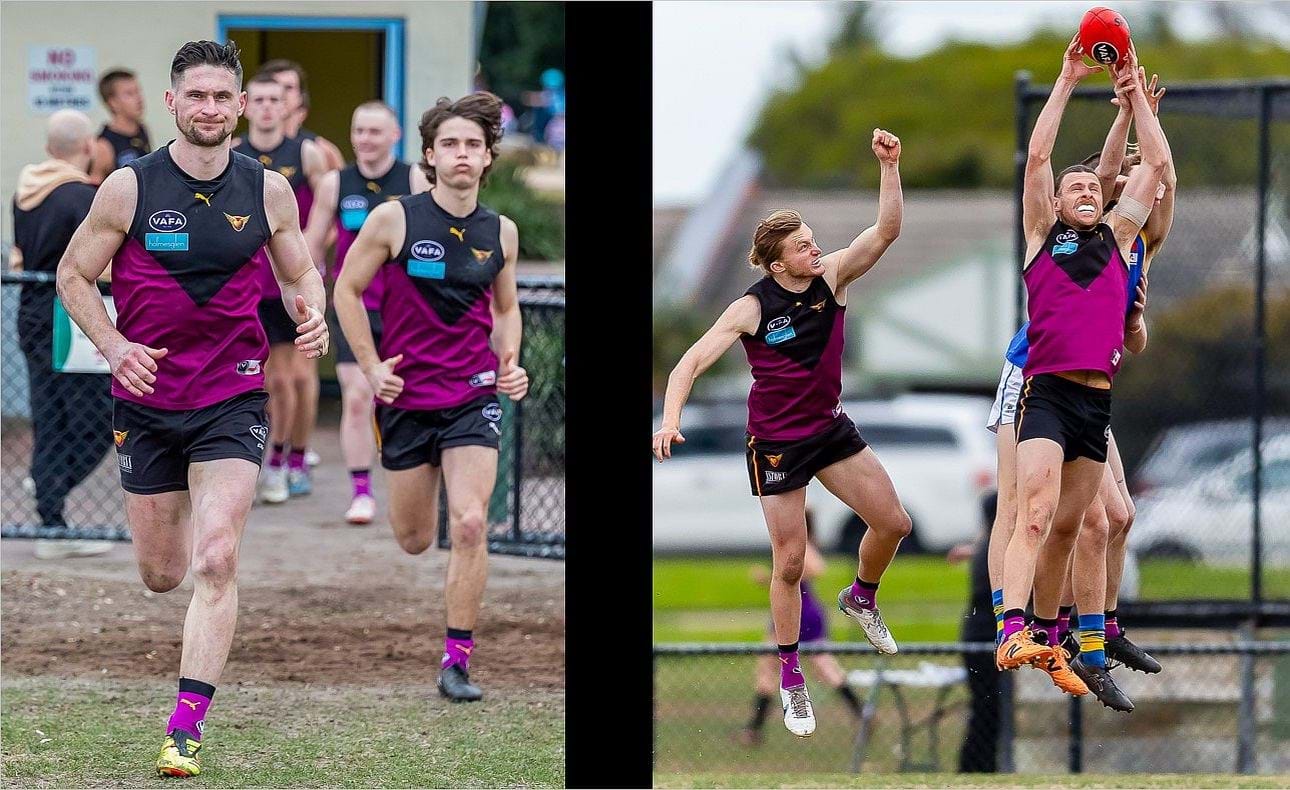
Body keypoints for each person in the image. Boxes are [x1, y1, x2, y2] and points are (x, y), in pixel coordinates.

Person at [55, 39, 328, 778]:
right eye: (195, 96)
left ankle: (185, 728)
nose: (210, 108)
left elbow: (302, 268)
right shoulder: (128, 187)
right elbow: (73, 276)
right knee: (162, 573)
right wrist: (114, 347)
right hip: (145, 403)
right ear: (173, 102)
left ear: (241, 106)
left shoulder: (269, 190)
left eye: (222, 96)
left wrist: (315, 313)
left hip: (233, 396)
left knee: (217, 557)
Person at [654, 128, 908, 739]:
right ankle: (793, 679)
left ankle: (863, 597)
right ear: (775, 262)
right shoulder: (751, 306)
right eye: (802, 246)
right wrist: (670, 418)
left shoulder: (833, 278)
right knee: (790, 561)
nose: (815, 250)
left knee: (895, 523)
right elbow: (690, 361)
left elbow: (887, 231)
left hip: (828, 429)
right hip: (776, 444)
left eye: (813, 241)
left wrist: (891, 166)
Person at [334, 92, 528, 702]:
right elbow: (345, 290)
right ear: (429, 155)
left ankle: (457, 661)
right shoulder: (394, 218)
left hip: (472, 394)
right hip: (407, 397)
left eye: (472, 144)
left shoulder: (501, 231)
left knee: (470, 523)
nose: (462, 154)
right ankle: (414, 514)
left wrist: (510, 362)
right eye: (450, 144)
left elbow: (506, 306)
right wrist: (369, 367)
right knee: (414, 538)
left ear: (487, 155)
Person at [994, 39, 1167, 700]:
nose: (1087, 189)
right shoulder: (1044, 237)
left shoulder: (1120, 240)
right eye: (1077, 186)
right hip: (1047, 394)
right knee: (1035, 513)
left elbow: (1153, 162)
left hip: (1097, 404)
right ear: (1059, 201)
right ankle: (1013, 628)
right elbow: (1039, 156)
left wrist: (1130, 90)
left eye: (1094, 184)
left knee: (1071, 526)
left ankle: (1048, 631)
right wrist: (1067, 78)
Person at [304, 101, 430, 523]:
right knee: (358, 399)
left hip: (406, 312)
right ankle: (361, 492)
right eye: (358, 130)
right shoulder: (336, 184)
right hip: (353, 306)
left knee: (405, 401)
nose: (365, 139)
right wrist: (304, 292)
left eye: (375, 131)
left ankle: (410, 486)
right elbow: (310, 245)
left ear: (395, 135)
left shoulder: (413, 178)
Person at [11, 109, 114, 560]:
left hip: (30, 314)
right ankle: (50, 497)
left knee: (48, 417)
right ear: (88, 146)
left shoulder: (24, 193)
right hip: (71, 319)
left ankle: (49, 509)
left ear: (51, 148)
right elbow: (100, 264)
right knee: (96, 421)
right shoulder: (81, 198)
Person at [233, 73, 328, 502]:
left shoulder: (306, 154)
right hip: (252, 286)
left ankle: (291, 459)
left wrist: (306, 256)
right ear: (246, 106)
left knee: (296, 378)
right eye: (261, 99)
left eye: (277, 99)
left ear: (287, 106)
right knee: (269, 379)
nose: (269, 107)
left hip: (293, 285)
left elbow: (327, 215)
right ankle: (271, 457)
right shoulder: (234, 154)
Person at [736, 508, 863, 746]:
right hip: (785, 614)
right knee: (770, 669)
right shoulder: (785, 542)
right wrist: (770, 579)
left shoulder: (801, 544)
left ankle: (862, 715)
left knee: (822, 668)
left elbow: (816, 569)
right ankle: (754, 729)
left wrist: (784, 572)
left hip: (802, 615)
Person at [952, 492, 1002, 773]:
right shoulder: (993, 549)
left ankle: (981, 766)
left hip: (977, 637)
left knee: (986, 709)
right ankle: (975, 768)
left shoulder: (985, 546)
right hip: (983, 640)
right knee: (986, 709)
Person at [255, 60, 346, 171]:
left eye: (289, 87)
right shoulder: (236, 148)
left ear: (301, 97)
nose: (281, 92)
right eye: (275, 85)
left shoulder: (324, 151)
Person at [90, 69, 151, 185]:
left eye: (138, 91)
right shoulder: (103, 146)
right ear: (113, 102)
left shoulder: (142, 129)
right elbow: (94, 187)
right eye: (129, 94)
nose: (139, 99)